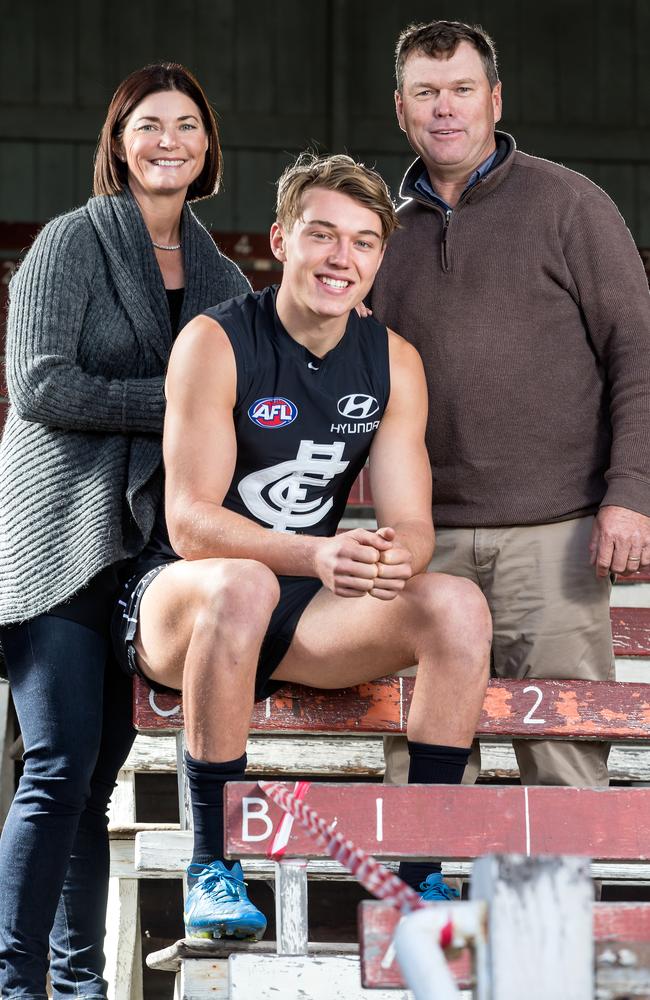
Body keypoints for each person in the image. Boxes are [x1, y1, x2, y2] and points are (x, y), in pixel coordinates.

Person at [111, 153, 492, 939]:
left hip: (299, 608)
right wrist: (316, 554)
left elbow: (414, 527)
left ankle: (418, 872)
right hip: (183, 603)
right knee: (240, 584)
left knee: (456, 605)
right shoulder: (216, 341)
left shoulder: (393, 362)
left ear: (380, 258)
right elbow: (189, 522)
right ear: (282, 241)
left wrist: (394, 557)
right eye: (322, 235)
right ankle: (212, 866)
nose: (341, 258)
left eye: (362, 242)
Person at [0, 63, 249, 996]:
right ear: (118, 140)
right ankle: (19, 984)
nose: (169, 141)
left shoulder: (222, 273)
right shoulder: (69, 243)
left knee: (94, 784)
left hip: (147, 547)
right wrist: (183, 408)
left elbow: (246, 403)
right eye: (150, 125)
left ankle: (78, 987)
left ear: (208, 149)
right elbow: (39, 384)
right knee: (58, 765)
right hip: (56, 536)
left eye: (188, 125)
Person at [370, 20, 650, 797]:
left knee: (563, 755)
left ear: (495, 98)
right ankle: (428, 917)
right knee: (422, 757)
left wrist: (630, 493)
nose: (445, 109)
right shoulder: (379, 235)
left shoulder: (571, 206)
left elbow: (639, 354)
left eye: (462, 90)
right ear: (401, 109)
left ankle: (559, 923)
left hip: (554, 537)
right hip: (424, 539)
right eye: (426, 93)